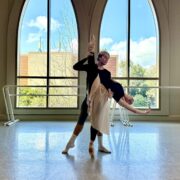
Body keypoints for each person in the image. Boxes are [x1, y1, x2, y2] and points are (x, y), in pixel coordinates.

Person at [62, 36, 151, 156]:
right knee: (81, 121)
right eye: (105, 57)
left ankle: (100, 145)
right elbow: (75, 67)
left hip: (101, 101)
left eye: (108, 58)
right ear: (100, 56)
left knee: (99, 123)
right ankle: (70, 143)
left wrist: (139, 111)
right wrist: (88, 56)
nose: (107, 59)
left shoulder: (107, 73)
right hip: (89, 100)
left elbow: (114, 89)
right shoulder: (91, 67)